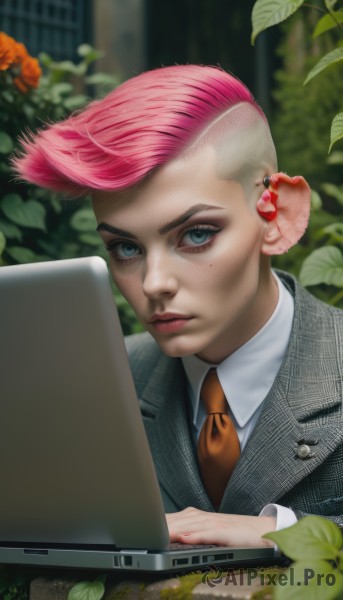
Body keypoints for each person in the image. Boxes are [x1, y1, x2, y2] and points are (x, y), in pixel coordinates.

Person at [13, 64, 343, 548]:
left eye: (196, 234)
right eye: (126, 247)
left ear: (279, 216)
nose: (154, 282)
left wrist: (285, 532)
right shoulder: (99, 382)